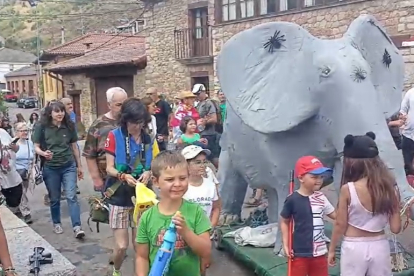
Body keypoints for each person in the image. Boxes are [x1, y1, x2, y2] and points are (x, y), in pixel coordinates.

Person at [327, 132, 401, 276]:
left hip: (354, 247)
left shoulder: (348, 189)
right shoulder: (390, 188)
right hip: (380, 246)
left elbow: (340, 224)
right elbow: (395, 228)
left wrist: (331, 250)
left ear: (351, 163)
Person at [135, 150, 212, 276]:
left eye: (182, 178)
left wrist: (186, 232)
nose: (177, 184)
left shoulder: (196, 212)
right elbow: (142, 257)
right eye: (170, 179)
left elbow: (206, 252)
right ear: (155, 181)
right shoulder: (147, 217)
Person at [104, 98, 153, 276]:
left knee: (140, 245)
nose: (137, 127)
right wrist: (122, 175)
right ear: (125, 120)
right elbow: (109, 168)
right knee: (122, 246)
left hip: (142, 197)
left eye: (141, 122)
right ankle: (116, 270)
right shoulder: (114, 135)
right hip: (119, 195)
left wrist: (149, 172)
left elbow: (152, 165)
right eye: (133, 122)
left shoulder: (148, 138)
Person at [32, 101, 85, 238]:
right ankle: (57, 222)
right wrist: (43, 153)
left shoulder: (69, 126)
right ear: (50, 113)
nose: (60, 113)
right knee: (54, 198)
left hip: (68, 165)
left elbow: (74, 147)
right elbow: (36, 146)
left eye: (62, 111)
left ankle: (77, 227)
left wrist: (79, 166)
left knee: (71, 196)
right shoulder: (42, 127)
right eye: (57, 111)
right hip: (51, 168)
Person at [280, 156, 336, 276]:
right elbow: (285, 221)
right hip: (299, 252)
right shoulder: (292, 199)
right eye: (314, 177)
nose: (319, 180)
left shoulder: (321, 198)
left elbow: (336, 216)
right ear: (301, 178)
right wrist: (285, 244)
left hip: (320, 252)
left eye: (321, 177)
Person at [83, 87, 128, 192]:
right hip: (108, 180)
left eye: (125, 104)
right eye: (118, 105)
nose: (122, 108)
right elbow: (89, 155)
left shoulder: (131, 121)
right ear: (109, 105)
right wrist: (96, 179)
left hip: (130, 177)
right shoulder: (98, 125)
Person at [181, 145, 221, 227]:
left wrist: (211, 226)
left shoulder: (211, 185)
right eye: (198, 162)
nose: (202, 165)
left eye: (204, 162)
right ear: (186, 164)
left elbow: (216, 208)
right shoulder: (180, 187)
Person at [14, 122, 35, 224]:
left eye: (26, 130)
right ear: (17, 132)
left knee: (22, 192)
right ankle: (26, 213)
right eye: (22, 131)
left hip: (27, 172)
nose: (24, 132)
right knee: (22, 192)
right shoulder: (13, 143)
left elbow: (33, 157)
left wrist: (33, 169)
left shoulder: (29, 143)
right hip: (15, 171)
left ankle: (17, 208)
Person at [194, 89, 220, 167]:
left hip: (209, 134)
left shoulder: (208, 103)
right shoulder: (199, 104)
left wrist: (205, 122)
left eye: (198, 94)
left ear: (203, 92)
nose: (197, 96)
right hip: (201, 134)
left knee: (212, 156)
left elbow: (214, 119)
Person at [0, 127, 23, 216]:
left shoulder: (2, 132)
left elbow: (16, 149)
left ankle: (13, 212)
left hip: (11, 174)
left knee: (16, 197)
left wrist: (14, 146)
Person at [400, 88, 414, 175]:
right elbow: (403, 110)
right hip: (409, 134)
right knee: (408, 165)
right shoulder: (411, 92)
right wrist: (403, 118)